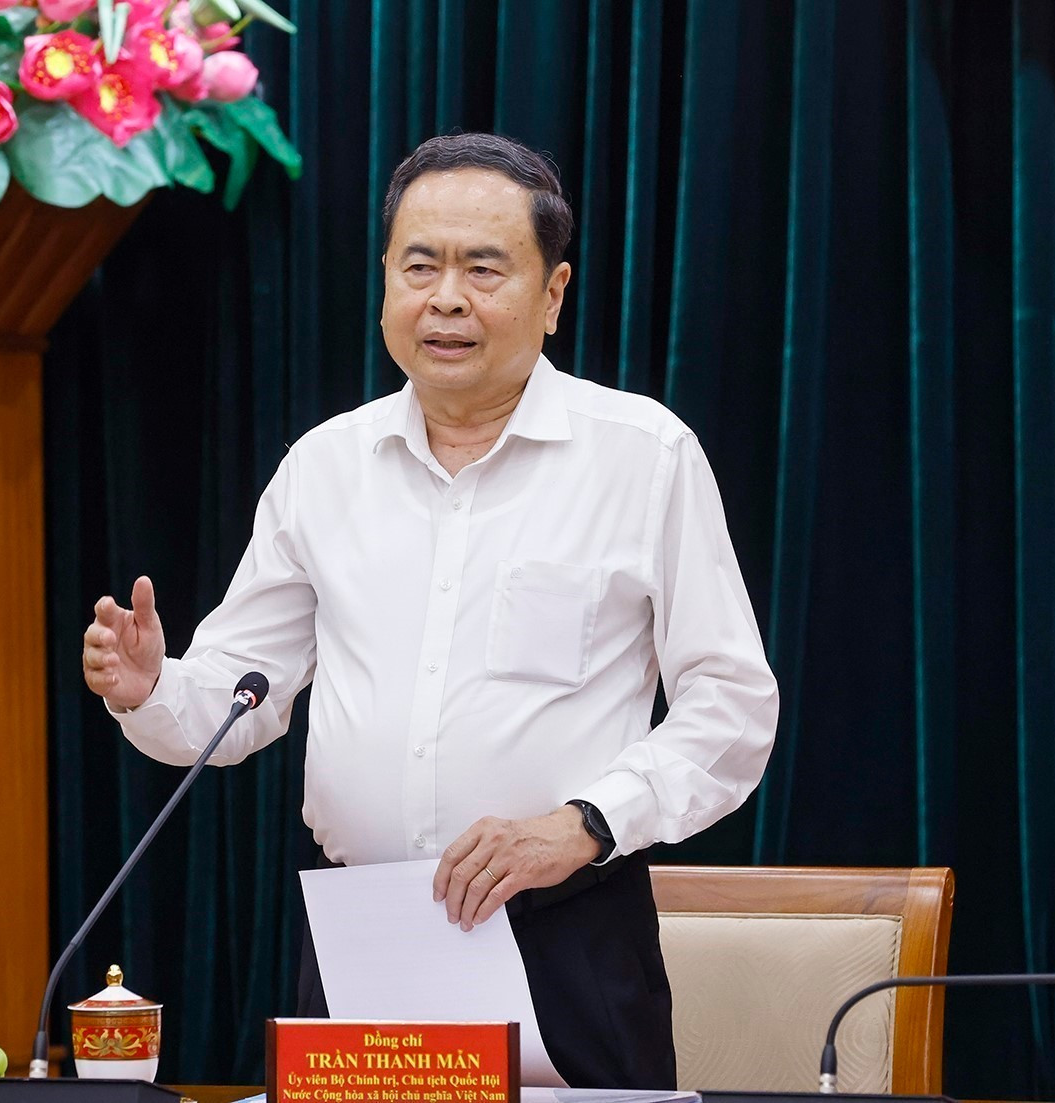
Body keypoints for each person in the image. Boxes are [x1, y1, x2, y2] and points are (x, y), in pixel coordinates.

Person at [81, 132, 778, 1089]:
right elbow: (234, 704)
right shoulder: (325, 467)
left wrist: (585, 821)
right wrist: (153, 687)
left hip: (565, 931)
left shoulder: (642, 455)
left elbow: (731, 707)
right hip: (365, 934)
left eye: (484, 268)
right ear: (386, 283)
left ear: (554, 294)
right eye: (421, 265)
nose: (446, 297)